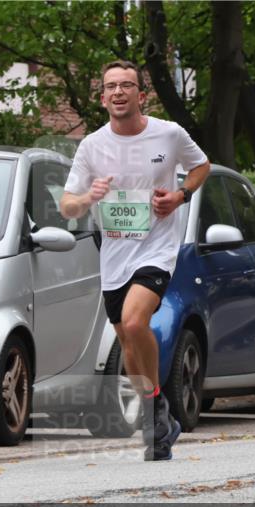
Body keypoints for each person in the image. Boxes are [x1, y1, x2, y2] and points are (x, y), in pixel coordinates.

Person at [60, 60, 210, 461]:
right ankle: (157, 411)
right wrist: (90, 197)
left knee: (133, 320)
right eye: (111, 86)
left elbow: (201, 166)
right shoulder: (92, 146)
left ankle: (156, 412)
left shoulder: (169, 134)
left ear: (141, 95)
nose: (118, 92)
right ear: (103, 97)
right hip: (114, 255)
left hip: (158, 248)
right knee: (128, 342)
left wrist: (179, 196)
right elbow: (68, 206)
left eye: (127, 85)